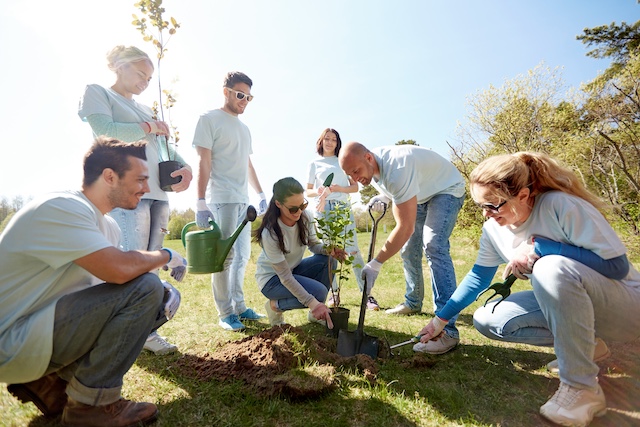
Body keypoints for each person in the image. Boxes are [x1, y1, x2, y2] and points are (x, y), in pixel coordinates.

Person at [414, 151, 640, 426]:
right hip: (582, 308)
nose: (486, 214)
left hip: (627, 308)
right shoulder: (493, 229)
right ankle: (587, 348)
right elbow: (478, 277)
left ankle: (581, 388)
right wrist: (440, 320)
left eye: (494, 205)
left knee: (550, 267)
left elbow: (616, 266)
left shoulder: (560, 205)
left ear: (523, 195)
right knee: (488, 319)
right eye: (480, 206)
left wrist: (540, 248)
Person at [1, 136, 188, 426]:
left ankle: (48, 383)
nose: (147, 188)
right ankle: (90, 407)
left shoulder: (107, 225)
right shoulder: (63, 207)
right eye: (140, 179)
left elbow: (105, 287)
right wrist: (165, 254)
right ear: (110, 177)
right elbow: (119, 270)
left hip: (34, 331)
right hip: (9, 340)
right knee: (146, 288)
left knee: (151, 293)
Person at [78, 45, 192, 354]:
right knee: (130, 260)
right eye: (141, 73)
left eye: (149, 76)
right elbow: (104, 132)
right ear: (118, 65)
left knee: (151, 263)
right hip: (128, 192)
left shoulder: (146, 110)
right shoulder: (98, 92)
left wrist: (185, 166)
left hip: (158, 192)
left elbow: (163, 146)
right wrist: (150, 127)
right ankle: (119, 333)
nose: (145, 81)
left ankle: (144, 331)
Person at [339, 141, 466, 354]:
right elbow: (392, 186)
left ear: (368, 158)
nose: (355, 179)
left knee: (433, 244)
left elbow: (404, 227)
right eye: (350, 175)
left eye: (356, 171)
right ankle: (413, 302)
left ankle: (448, 331)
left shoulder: (397, 169)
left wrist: (376, 263)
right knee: (408, 249)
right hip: (423, 192)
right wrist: (384, 196)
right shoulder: (374, 165)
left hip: (446, 189)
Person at [193, 71, 268, 332]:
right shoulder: (209, 119)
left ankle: (239, 306)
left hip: (242, 200)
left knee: (242, 256)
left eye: (249, 97)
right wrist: (200, 200)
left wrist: (260, 194)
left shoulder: (244, 129)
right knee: (225, 257)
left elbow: (247, 163)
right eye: (240, 95)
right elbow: (204, 161)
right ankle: (225, 313)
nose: (244, 100)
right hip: (221, 198)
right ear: (225, 91)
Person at [254, 177, 348, 327]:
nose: (299, 212)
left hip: (293, 270)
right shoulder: (270, 233)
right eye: (293, 209)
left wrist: (329, 250)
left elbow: (313, 246)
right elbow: (284, 277)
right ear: (278, 204)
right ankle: (274, 306)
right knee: (318, 293)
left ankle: (314, 315)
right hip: (272, 280)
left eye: (302, 205)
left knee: (329, 261)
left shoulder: (305, 217)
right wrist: (312, 302)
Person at [306, 128, 378, 310]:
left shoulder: (342, 161)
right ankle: (334, 294)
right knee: (329, 252)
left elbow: (355, 188)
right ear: (321, 141)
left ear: (338, 143)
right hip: (322, 210)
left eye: (334, 140)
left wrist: (339, 189)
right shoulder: (314, 163)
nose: (330, 142)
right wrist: (320, 191)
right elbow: (308, 190)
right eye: (327, 139)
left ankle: (366, 296)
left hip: (342, 209)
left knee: (353, 251)